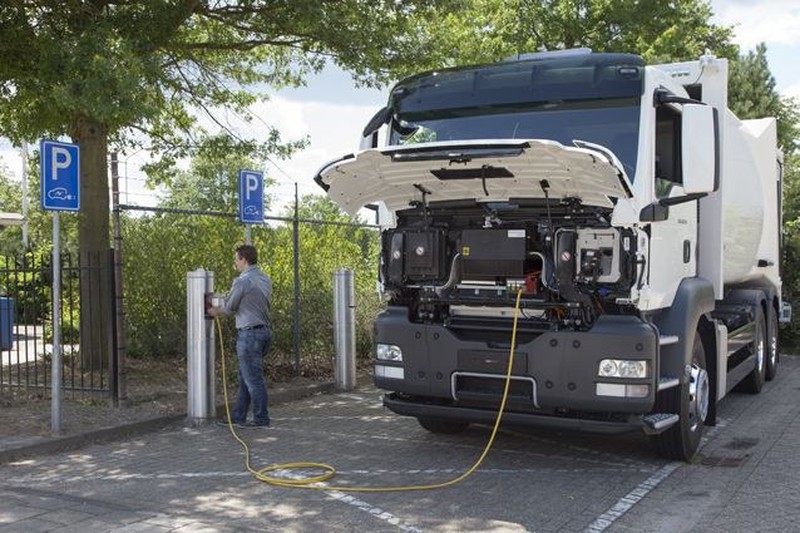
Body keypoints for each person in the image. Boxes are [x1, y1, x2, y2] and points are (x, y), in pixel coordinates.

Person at [208, 244, 273, 428]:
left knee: (253, 380)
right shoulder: (264, 279)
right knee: (246, 377)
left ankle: (261, 419)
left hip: (250, 335)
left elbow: (229, 308)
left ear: (244, 259)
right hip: (264, 333)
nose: (235, 263)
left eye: (236, 259)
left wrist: (214, 310)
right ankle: (238, 417)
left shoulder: (242, 281)